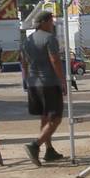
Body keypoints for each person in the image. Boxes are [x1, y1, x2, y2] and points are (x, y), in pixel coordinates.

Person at [21, 11, 67, 165]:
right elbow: (55, 60)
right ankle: (35, 145)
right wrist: (63, 81)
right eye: (51, 21)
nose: (52, 24)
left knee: (45, 116)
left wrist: (26, 80)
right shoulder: (49, 38)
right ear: (45, 22)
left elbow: (24, 63)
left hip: (34, 83)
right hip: (49, 83)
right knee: (56, 118)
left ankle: (49, 150)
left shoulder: (28, 40)